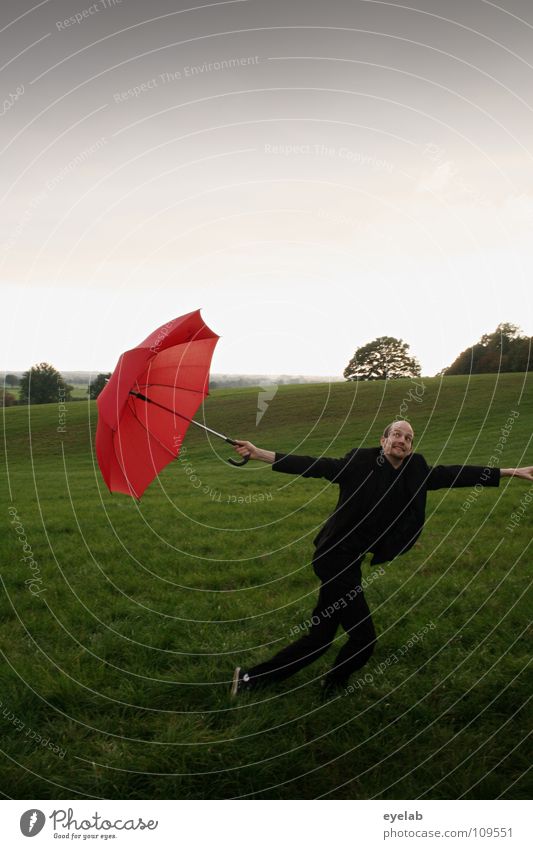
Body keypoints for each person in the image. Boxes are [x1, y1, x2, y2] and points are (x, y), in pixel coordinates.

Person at [229, 420, 533, 698]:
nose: (402, 440)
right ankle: (332, 686)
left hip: (350, 560)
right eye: (397, 435)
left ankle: (250, 680)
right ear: (383, 440)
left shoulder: (414, 471)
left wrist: (509, 471)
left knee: (321, 637)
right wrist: (258, 454)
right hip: (335, 557)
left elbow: (453, 474)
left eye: (408, 438)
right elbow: (315, 465)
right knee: (364, 638)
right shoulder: (360, 463)